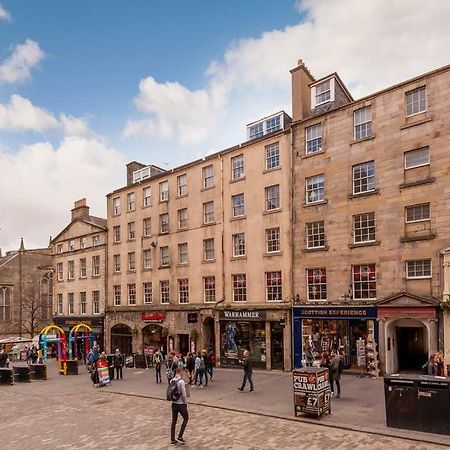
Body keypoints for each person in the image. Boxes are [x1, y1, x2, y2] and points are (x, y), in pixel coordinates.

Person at [170, 367, 189, 445]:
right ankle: (180, 436)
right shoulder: (181, 382)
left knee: (174, 421)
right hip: (181, 404)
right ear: (180, 372)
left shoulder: (172, 380)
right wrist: (185, 402)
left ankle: (172, 438)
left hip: (174, 403)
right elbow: (184, 394)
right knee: (186, 418)